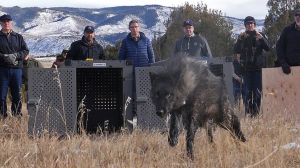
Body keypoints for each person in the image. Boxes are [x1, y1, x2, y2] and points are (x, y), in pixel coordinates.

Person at [234, 16, 270, 117]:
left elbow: (268, 48)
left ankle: (256, 113)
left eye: (252, 23)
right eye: (248, 24)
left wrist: (262, 39)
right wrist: (240, 40)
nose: (250, 25)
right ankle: (248, 113)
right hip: (247, 70)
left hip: (258, 69)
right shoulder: (242, 36)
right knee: (247, 93)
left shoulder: (260, 35)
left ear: (254, 25)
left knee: (258, 92)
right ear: (245, 26)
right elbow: (236, 50)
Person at [0, 14, 29, 118]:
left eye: (8, 21)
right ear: (1, 23)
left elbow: (25, 50)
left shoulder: (18, 37)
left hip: (17, 70)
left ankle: (16, 116)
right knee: (1, 96)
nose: (6, 23)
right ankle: (2, 117)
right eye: (4, 21)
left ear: (11, 23)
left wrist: (16, 56)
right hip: (2, 70)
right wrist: (4, 57)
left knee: (16, 95)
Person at [276, 8, 300, 74]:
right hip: (289, 68)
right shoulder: (287, 30)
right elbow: (279, 47)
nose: (298, 17)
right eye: (296, 15)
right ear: (294, 17)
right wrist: (283, 63)